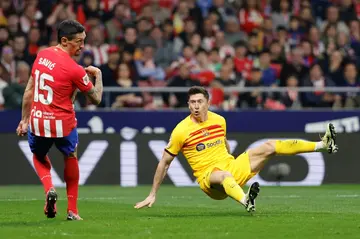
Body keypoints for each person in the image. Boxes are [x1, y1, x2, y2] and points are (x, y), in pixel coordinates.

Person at [135, 86, 338, 212]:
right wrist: (153, 193)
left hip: (230, 166)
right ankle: (246, 201)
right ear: (188, 104)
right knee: (223, 175)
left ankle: (323, 145)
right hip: (209, 178)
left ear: (208, 102)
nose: (195, 106)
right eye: (192, 102)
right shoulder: (181, 130)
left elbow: (223, 142)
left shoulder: (219, 120)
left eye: (199, 101)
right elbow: (165, 162)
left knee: (270, 146)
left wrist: (230, 157)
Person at [16, 20, 103, 220]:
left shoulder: (41, 55)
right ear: (64, 41)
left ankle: (49, 189)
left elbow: (29, 90)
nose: (82, 46)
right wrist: (98, 76)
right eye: (78, 42)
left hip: (38, 121)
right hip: (63, 124)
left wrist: (24, 120)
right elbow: (96, 98)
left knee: (38, 156)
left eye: (84, 41)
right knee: (71, 156)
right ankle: (72, 210)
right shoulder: (76, 70)